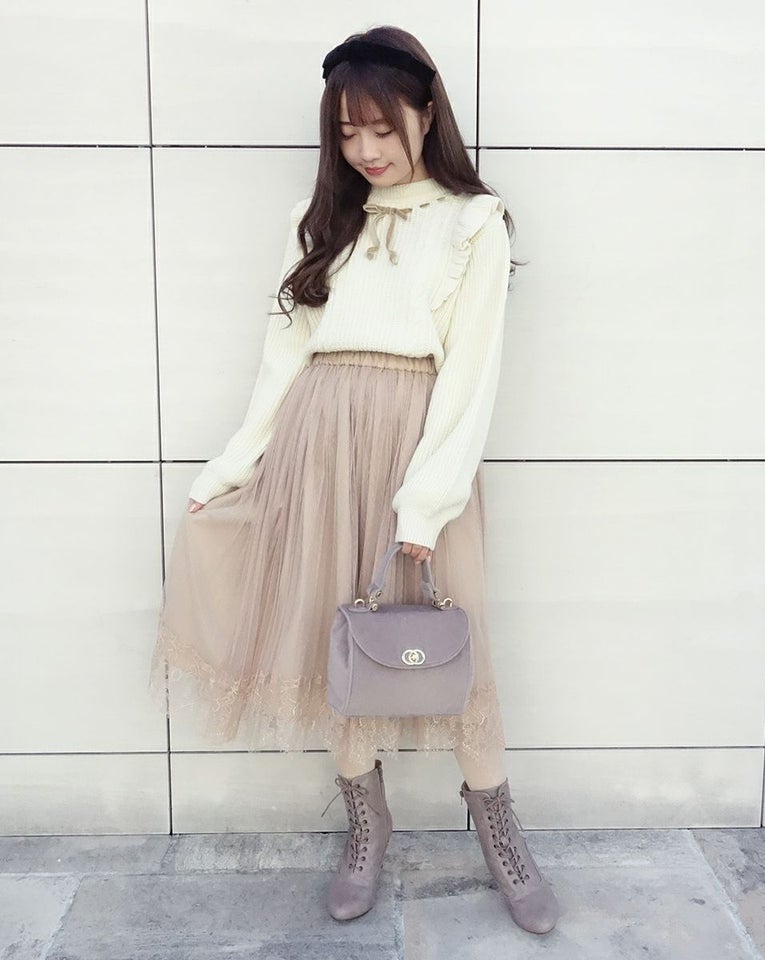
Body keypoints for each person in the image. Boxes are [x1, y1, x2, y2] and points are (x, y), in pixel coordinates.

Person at [148, 24, 558, 935]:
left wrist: (427, 503)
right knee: (341, 636)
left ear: (426, 114)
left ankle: (498, 826)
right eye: (347, 132)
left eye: (381, 126)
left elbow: (471, 373)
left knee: (457, 641)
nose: (366, 149)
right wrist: (234, 465)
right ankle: (366, 826)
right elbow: (282, 358)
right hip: (318, 444)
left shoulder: (474, 221)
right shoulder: (322, 219)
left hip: (418, 448)